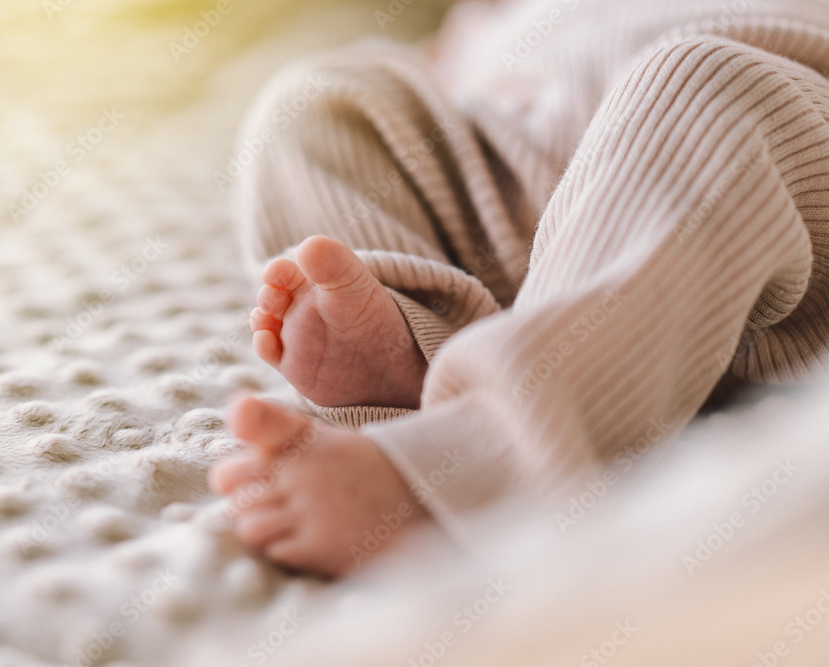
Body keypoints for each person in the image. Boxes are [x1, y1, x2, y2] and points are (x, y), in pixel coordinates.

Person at [207, 0, 829, 576]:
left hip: (760, 177)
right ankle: (415, 340)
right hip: (510, 213)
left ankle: (478, 461)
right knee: (322, 97)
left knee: (698, 80)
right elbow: (437, 86)